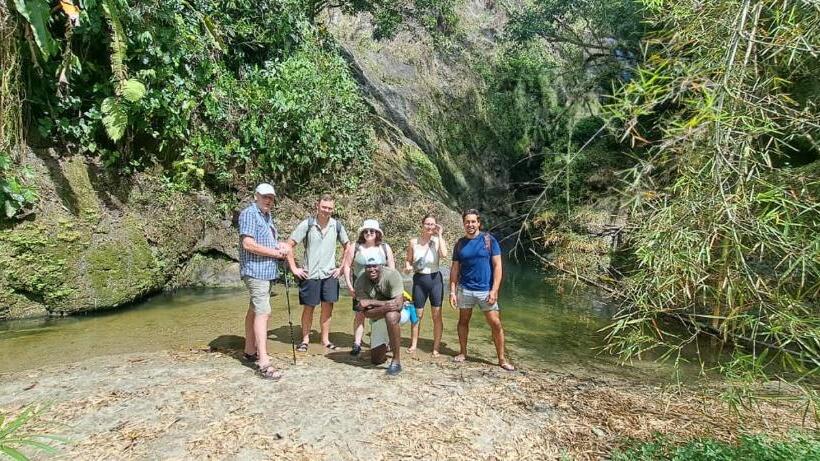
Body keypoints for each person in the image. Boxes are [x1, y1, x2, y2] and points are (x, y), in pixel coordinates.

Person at [449, 209, 514, 371]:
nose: (470, 225)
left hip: (485, 290)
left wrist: (495, 290)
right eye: (467, 222)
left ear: (478, 223)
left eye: (473, 222)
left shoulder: (489, 240)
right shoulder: (460, 244)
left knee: (496, 323)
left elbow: (498, 266)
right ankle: (463, 352)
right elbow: (455, 269)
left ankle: (501, 359)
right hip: (465, 289)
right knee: (463, 321)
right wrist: (452, 291)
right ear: (463, 224)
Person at [238, 183, 291, 380]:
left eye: (271, 197)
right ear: (256, 196)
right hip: (255, 271)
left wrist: (280, 246)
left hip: (266, 272)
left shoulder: (266, 216)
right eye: (265, 196)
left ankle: (249, 351)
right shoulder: (250, 214)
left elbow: (265, 241)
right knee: (263, 311)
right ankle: (263, 361)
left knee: (254, 309)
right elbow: (248, 244)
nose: (268, 200)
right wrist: (276, 253)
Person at [286, 194, 352, 352]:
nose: (326, 211)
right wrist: (294, 268)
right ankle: (305, 340)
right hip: (310, 275)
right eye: (324, 207)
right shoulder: (307, 224)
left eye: (330, 208)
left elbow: (348, 246)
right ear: (318, 206)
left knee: (327, 308)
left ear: (333, 209)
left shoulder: (337, 226)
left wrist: (341, 268)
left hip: (329, 275)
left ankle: (325, 340)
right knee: (309, 308)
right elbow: (289, 245)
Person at [343, 219, 395, 356]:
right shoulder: (355, 247)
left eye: (372, 231)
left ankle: (384, 342)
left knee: (382, 314)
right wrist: (349, 285)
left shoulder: (385, 248)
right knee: (360, 314)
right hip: (360, 287)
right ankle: (357, 343)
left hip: (381, 288)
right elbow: (347, 266)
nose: (369, 233)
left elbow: (392, 269)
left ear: (377, 233)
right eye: (366, 231)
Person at [404, 214, 448, 355]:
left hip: (435, 280)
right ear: (422, 225)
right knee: (417, 314)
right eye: (427, 224)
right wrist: (408, 267)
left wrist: (440, 235)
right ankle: (414, 344)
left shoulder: (437, 241)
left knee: (436, 315)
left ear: (436, 226)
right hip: (419, 280)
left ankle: (436, 347)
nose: (430, 227)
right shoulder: (413, 242)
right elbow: (408, 260)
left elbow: (444, 254)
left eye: (432, 224)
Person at [354, 254, 405, 375]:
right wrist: (385, 306)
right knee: (376, 360)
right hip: (378, 316)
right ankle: (386, 343)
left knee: (391, 316)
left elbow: (398, 305)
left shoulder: (392, 275)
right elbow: (367, 314)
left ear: (381, 265)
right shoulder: (360, 281)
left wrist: (372, 302)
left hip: (401, 313)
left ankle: (396, 360)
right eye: (368, 266)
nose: (372, 269)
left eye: (375, 266)